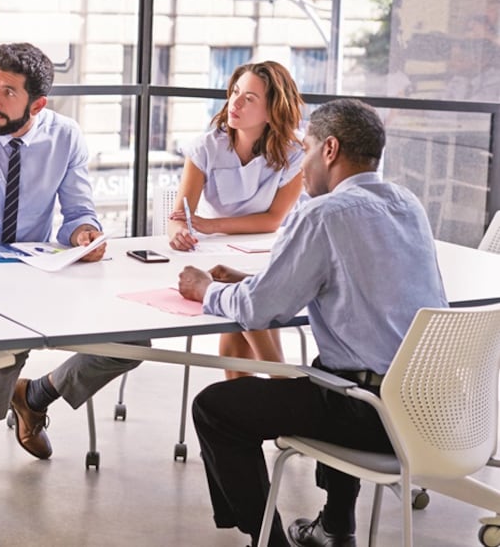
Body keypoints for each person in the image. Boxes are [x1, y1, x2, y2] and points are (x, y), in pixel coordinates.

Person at [177, 98, 447, 547]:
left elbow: (258, 311)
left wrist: (205, 290)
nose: (301, 163)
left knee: (216, 408)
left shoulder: (323, 213)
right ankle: (335, 527)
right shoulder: (407, 204)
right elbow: (359, 281)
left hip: (375, 415)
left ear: (330, 150)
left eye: (306, 149)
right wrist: (262, 280)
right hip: (433, 405)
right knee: (330, 369)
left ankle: (270, 541)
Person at [0, 42, 147, 470]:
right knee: (5, 345)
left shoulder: (65, 136)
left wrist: (85, 234)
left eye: (8, 91)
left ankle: (35, 395)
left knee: (132, 342)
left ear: (38, 103)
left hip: (39, 271)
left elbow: (79, 213)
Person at [168, 61, 305, 378]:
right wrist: (179, 232)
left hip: (268, 252)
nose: (235, 103)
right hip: (216, 255)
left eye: (249, 98)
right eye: (235, 93)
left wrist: (210, 225)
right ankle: (281, 383)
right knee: (243, 309)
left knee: (246, 301)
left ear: (272, 111)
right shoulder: (205, 148)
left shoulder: (295, 152)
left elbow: (272, 220)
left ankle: (279, 384)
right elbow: (180, 217)